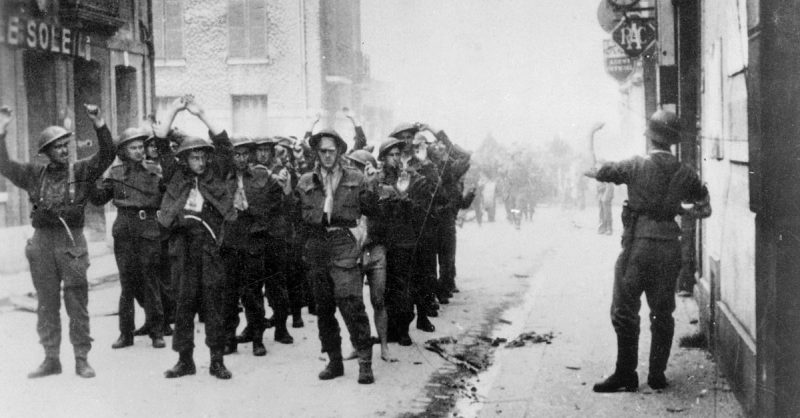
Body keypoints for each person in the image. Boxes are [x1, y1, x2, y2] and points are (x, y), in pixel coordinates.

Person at [585, 110, 709, 392]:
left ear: (650, 137)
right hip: (669, 247)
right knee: (663, 312)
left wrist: (589, 135)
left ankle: (626, 374)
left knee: (625, 310)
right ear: (673, 142)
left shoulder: (635, 165)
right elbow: (705, 209)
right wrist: (677, 209)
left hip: (637, 248)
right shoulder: (687, 173)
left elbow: (593, 169)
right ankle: (657, 374)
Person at [0, 104, 115, 378]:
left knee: (77, 302)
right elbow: (3, 165)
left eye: (66, 145)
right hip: (41, 244)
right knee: (46, 303)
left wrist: (99, 124)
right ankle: (51, 358)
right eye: (58, 147)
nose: (64, 150)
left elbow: (108, 154)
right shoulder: (33, 175)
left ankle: (81, 358)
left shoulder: (82, 171)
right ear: (46, 152)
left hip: (71, 242)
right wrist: (1, 131)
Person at [154, 96, 236, 380]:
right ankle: (184, 359)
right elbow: (161, 141)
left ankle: (217, 360)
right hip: (182, 247)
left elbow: (225, 145)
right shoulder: (175, 175)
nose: (200, 161)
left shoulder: (216, 175)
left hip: (210, 245)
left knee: (214, 303)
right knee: (183, 303)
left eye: (203, 156)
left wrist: (201, 114)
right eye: (194, 156)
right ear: (185, 159)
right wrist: (175, 108)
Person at [294, 129, 378, 384]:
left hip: (344, 242)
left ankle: (364, 362)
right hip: (317, 244)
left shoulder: (356, 177)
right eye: (323, 151)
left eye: (332, 150)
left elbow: (372, 210)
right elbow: (296, 219)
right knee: (324, 307)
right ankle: (334, 360)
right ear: (317, 154)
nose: (328, 156)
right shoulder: (306, 181)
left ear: (339, 151)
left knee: (351, 302)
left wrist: (372, 186)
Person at [90, 125, 167, 350]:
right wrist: (90, 180)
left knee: (151, 280)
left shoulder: (155, 171)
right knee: (126, 283)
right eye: (132, 147)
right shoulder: (114, 174)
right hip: (124, 228)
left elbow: (168, 197)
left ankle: (157, 332)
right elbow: (98, 199)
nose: (138, 151)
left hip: (148, 227)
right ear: (123, 151)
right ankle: (126, 334)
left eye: (140, 146)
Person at [222, 135, 294, 357]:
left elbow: (279, 201)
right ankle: (229, 339)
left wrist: (285, 185)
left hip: (254, 240)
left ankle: (257, 338)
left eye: (245, 154)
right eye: (237, 154)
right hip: (230, 240)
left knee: (253, 291)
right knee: (230, 293)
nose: (241, 159)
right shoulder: (223, 178)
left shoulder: (262, 175)